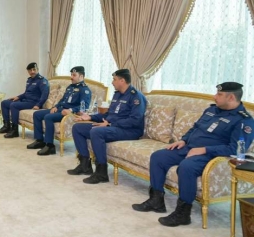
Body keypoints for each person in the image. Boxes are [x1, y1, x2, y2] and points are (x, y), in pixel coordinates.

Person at [133, 82, 254, 227]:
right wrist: (183, 140)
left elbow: (235, 149)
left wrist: (205, 150)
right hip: (189, 148)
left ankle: (183, 214)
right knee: (158, 157)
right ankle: (156, 201)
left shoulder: (243, 120)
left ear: (231, 97)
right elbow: (195, 128)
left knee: (187, 167)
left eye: (219, 94)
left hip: (210, 156)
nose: (214, 97)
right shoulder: (211, 110)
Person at [67, 69, 146, 184]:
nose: (112, 82)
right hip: (113, 126)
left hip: (129, 131)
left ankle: (101, 173)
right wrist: (89, 117)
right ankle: (85, 165)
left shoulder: (136, 97)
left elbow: (135, 120)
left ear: (122, 80)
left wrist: (110, 124)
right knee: (78, 128)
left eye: (114, 79)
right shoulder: (117, 94)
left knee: (96, 132)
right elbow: (108, 115)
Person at [28, 66, 91, 156]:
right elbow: (62, 100)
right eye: (71, 75)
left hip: (68, 113)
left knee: (48, 117)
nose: (71, 77)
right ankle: (39, 140)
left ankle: (50, 146)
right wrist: (55, 106)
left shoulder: (85, 90)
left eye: (74, 75)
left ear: (81, 76)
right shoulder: (70, 87)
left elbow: (84, 107)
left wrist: (71, 110)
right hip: (60, 109)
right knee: (37, 114)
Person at [0, 62, 49, 139]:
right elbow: (26, 93)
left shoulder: (42, 80)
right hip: (25, 101)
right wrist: (18, 97)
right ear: (28, 71)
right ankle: (6, 126)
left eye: (34, 69)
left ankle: (14, 130)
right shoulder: (29, 80)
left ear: (37, 69)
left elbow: (45, 95)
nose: (32, 71)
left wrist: (38, 105)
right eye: (30, 70)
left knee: (14, 105)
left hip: (33, 103)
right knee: (4, 103)